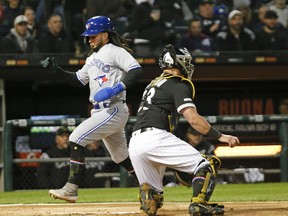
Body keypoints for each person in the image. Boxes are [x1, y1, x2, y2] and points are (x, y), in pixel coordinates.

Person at [128, 44, 239, 216]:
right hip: (155, 137)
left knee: (157, 197)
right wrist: (220, 136)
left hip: (135, 143)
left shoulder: (153, 83)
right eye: (186, 61)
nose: (188, 65)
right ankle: (198, 204)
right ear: (175, 61)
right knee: (207, 165)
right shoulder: (177, 83)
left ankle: (149, 194)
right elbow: (193, 120)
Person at [42, 15, 142, 203]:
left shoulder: (114, 50)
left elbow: (136, 70)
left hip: (113, 108)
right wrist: (57, 71)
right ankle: (151, 186)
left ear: (105, 35)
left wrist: (117, 88)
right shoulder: (92, 57)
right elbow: (78, 79)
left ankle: (71, 188)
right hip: (101, 111)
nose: (89, 39)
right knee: (121, 157)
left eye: (93, 35)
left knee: (76, 138)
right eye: (88, 36)